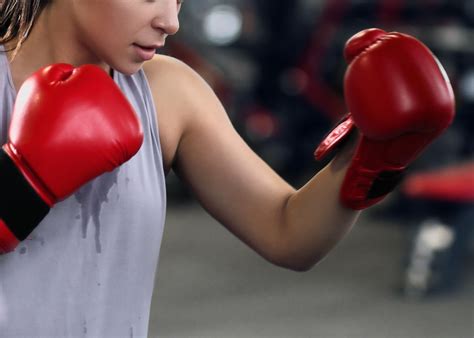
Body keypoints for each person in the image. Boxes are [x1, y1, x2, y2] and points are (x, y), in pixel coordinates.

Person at [0, 0, 454, 337]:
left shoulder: (169, 94)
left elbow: (288, 231)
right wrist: (23, 182)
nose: (170, 20)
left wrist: (374, 151)